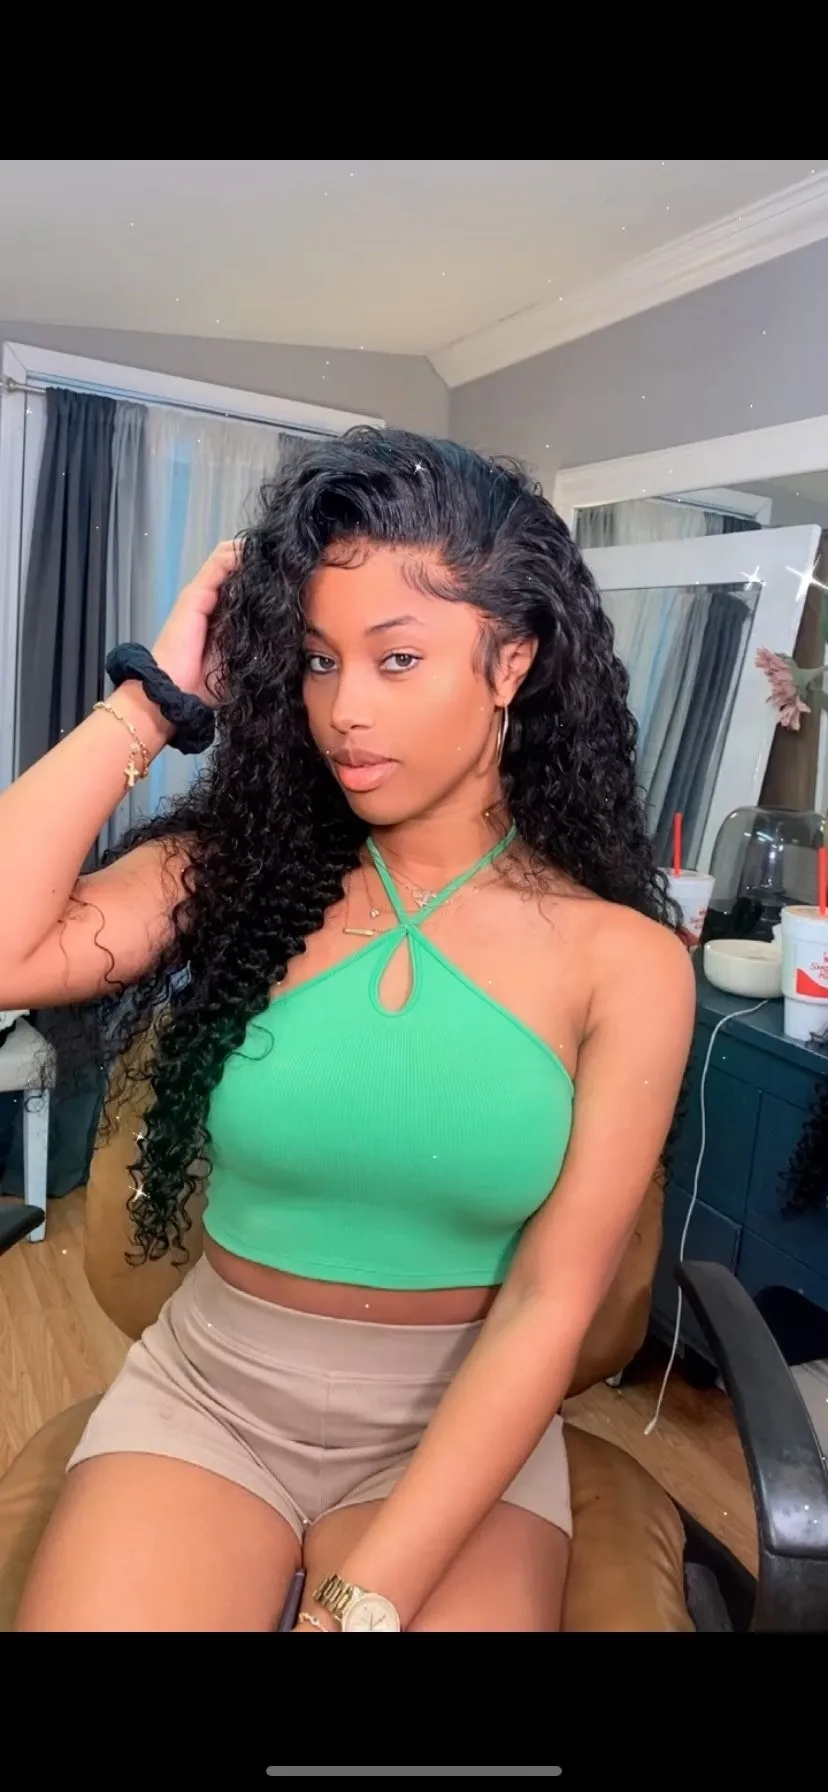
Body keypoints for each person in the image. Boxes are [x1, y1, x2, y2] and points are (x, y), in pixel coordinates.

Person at [0, 428, 695, 1633]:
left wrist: (360, 1603)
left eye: (398, 657)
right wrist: (152, 701)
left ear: (512, 660)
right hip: (212, 1395)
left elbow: (551, 1302)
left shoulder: (626, 963)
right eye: (319, 661)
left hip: (462, 1422)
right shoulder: (240, 874)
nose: (344, 711)